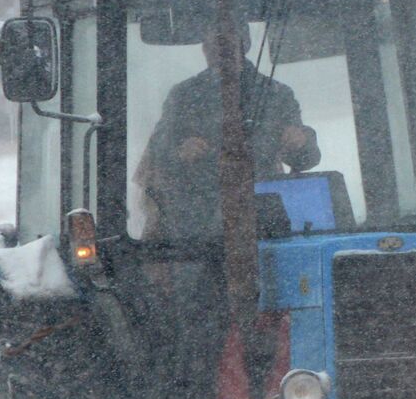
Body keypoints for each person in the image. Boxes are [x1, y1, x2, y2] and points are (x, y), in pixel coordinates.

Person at [136, 19, 320, 240]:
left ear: (244, 46)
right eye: (211, 45)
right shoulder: (183, 96)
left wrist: (301, 141)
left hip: (263, 216)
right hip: (195, 223)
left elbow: (304, 160)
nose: (217, 52)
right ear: (204, 49)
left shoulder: (276, 94)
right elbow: (157, 156)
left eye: (226, 44)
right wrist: (180, 153)